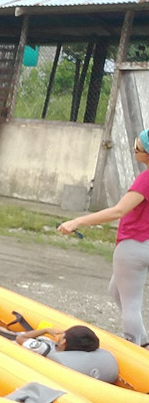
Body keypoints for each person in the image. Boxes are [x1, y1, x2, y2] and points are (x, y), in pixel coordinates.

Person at [59, 129, 149, 348]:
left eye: (138, 148)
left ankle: (136, 346)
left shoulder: (145, 179)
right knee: (115, 290)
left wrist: (77, 221)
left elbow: (118, 211)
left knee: (131, 304)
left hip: (133, 245)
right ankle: (142, 342)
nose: (134, 151)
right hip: (143, 244)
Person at [0, 315, 100, 356]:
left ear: (63, 342)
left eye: (63, 334)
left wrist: (45, 330)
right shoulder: (57, 350)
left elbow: (18, 338)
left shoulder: (43, 349)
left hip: (4, 344)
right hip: (13, 338)